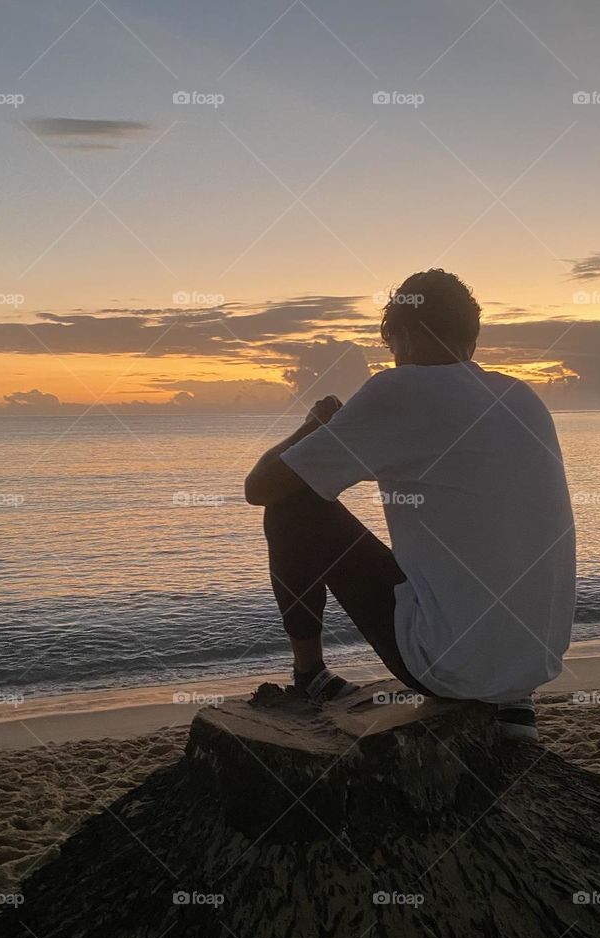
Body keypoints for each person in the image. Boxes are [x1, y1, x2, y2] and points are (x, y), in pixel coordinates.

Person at [244, 268, 576, 741]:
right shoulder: (523, 398)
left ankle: (310, 677)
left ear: (402, 335)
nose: (394, 359)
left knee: (292, 505)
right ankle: (509, 700)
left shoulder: (399, 390)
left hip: (448, 667)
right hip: (535, 661)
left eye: (393, 347)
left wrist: (313, 427)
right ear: (472, 339)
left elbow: (260, 487)